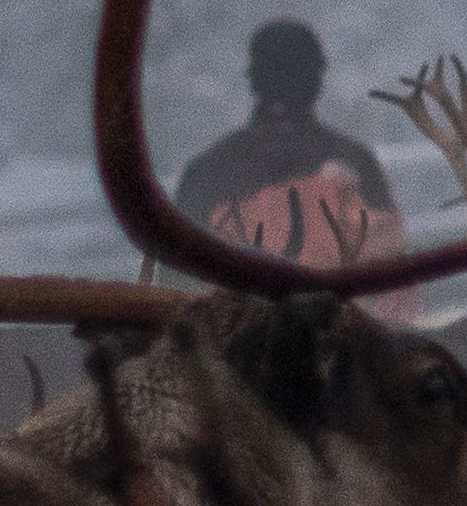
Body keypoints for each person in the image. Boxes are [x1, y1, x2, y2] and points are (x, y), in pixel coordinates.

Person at [173, 21, 418, 312]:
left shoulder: (205, 171)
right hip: (340, 345)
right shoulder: (354, 159)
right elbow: (396, 292)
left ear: (253, 79)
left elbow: (178, 292)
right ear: (317, 78)